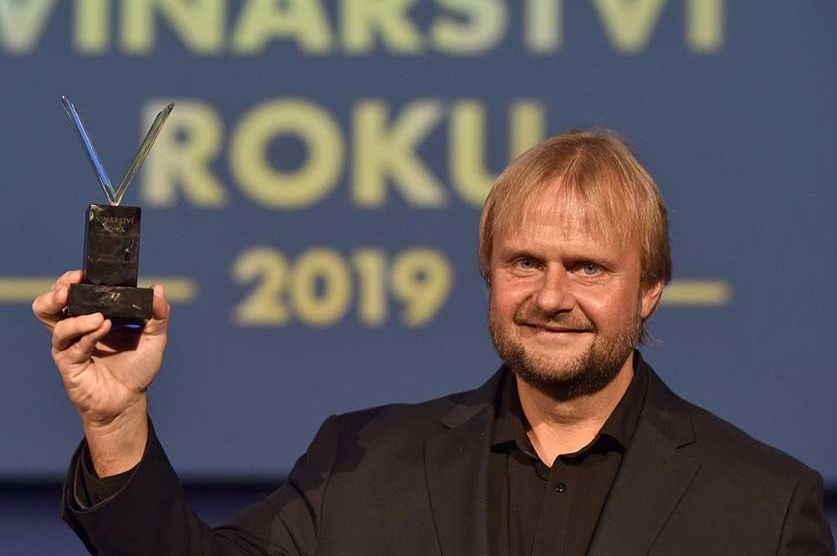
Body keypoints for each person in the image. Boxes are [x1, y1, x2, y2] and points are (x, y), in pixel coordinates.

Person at [33, 130, 834, 556]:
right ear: (488, 270)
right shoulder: (362, 466)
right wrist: (117, 421)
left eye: (587, 268)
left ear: (649, 288)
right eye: (524, 263)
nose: (551, 297)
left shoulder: (762, 507)